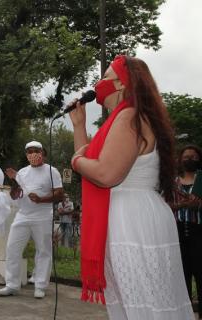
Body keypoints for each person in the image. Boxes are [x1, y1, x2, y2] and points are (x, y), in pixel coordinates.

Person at [68, 55, 193, 319]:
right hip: (135, 215)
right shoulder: (123, 118)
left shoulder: (128, 117)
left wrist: (75, 161)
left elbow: (105, 173)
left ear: (121, 84)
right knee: (139, 303)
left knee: (143, 305)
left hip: (132, 220)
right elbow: (90, 161)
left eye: (105, 77)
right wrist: (79, 126)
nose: (98, 83)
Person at [0, 141, 63, 299]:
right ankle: (11, 284)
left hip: (43, 215)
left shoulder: (52, 171)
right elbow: (14, 194)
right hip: (23, 214)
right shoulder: (22, 173)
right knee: (12, 248)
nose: (33, 154)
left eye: (36, 151)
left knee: (44, 251)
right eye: (29, 152)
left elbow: (60, 194)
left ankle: (40, 286)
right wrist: (14, 183)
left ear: (43, 153)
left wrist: (42, 199)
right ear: (26, 155)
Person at [172, 145, 202, 318]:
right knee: (182, 277)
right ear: (180, 160)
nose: (189, 159)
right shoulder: (172, 183)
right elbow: (164, 205)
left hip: (199, 233)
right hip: (178, 234)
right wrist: (182, 205)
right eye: (186, 156)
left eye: (194, 156)